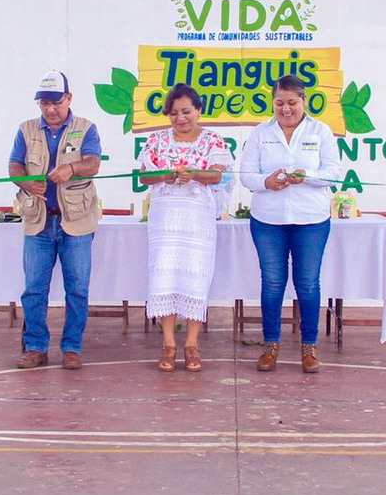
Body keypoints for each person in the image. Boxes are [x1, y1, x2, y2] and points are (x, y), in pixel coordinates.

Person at [239, 75, 343, 373]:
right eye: (279, 103)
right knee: (272, 283)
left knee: (307, 283)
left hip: (311, 220)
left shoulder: (320, 131)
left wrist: (307, 176)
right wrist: (266, 182)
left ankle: (309, 347)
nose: (285, 109)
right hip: (268, 220)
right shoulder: (260, 133)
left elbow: (334, 173)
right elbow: (246, 175)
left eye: (292, 103)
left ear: (304, 101)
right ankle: (270, 345)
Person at [8, 71, 104, 370]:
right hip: (38, 221)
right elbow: (14, 166)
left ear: (69, 99)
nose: (50, 109)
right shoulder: (25, 130)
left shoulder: (86, 128)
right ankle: (35, 347)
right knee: (34, 289)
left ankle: (72, 348)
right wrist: (26, 182)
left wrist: (72, 169)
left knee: (77, 289)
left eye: (56, 102)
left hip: (76, 221)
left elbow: (93, 164)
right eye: (44, 103)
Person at [138, 83, 230, 372]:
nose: (180, 118)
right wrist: (162, 176)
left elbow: (217, 176)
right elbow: (144, 177)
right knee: (164, 276)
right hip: (165, 220)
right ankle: (168, 343)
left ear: (198, 110)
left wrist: (195, 175)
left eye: (186, 111)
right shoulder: (156, 140)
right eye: (174, 113)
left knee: (195, 277)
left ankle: (191, 344)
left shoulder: (213, 140)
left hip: (197, 220)